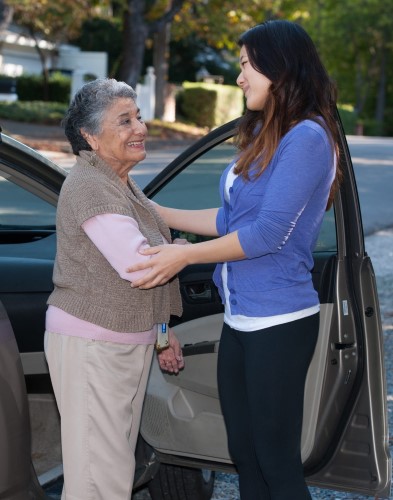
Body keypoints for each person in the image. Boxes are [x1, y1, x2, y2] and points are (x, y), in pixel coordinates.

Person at [127, 20, 342, 500]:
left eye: (245, 65)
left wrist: (183, 256)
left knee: (275, 461)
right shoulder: (270, 133)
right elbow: (230, 218)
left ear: (278, 67)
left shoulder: (307, 138)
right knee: (244, 456)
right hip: (242, 319)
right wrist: (155, 210)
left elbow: (266, 234)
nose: (240, 77)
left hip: (280, 322)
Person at [44, 78, 184, 500]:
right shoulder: (91, 186)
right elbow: (140, 267)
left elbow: (141, 285)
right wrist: (181, 250)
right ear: (90, 136)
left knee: (111, 471)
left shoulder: (118, 182)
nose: (139, 128)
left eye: (138, 116)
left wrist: (162, 334)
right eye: (124, 121)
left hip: (122, 344)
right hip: (94, 348)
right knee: (98, 481)